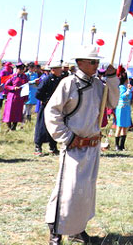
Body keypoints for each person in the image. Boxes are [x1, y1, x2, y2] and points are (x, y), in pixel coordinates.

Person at [44, 46, 119, 245]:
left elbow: (112, 102)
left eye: (97, 62)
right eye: (92, 62)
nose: (96, 65)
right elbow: (52, 112)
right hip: (74, 146)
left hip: (92, 145)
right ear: (80, 62)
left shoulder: (97, 84)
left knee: (85, 191)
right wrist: (67, 137)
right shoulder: (68, 83)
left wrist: (111, 78)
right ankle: (56, 231)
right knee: (66, 190)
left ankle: (77, 229)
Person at [34, 61, 64, 156]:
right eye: (59, 69)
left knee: (54, 126)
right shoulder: (47, 79)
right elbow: (38, 93)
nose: (61, 70)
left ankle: (53, 147)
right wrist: (46, 100)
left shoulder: (61, 80)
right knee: (42, 126)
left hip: (56, 107)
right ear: (53, 70)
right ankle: (38, 147)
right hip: (46, 107)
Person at [2, 62, 29, 131]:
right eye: (20, 69)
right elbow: (6, 86)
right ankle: (9, 126)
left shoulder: (25, 77)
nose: (21, 70)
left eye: (22, 69)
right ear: (17, 69)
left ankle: (14, 127)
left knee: (17, 112)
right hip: (12, 96)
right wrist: (13, 88)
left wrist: (26, 97)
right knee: (10, 112)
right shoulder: (12, 76)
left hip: (20, 97)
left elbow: (26, 87)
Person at [114, 73, 132, 151]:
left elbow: (130, 97)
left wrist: (129, 90)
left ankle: (122, 145)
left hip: (127, 108)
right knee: (119, 126)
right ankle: (116, 145)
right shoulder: (121, 87)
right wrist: (128, 91)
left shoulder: (126, 87)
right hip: (121, 107)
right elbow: (122, 96)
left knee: (125, 126)